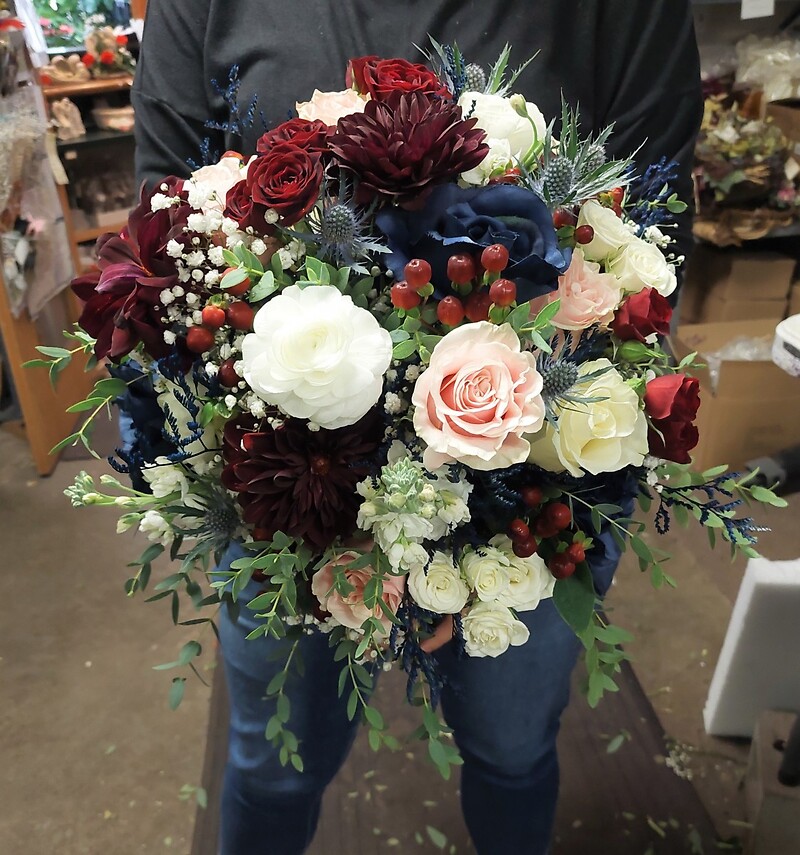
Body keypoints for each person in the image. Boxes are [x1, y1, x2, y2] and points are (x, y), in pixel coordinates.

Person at [131, 3, 703, 853]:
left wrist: (467, 527)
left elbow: (651, 246)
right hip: (282, 488)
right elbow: (166, 237)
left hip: (527, 495)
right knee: (274, 762)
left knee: (511, 748)